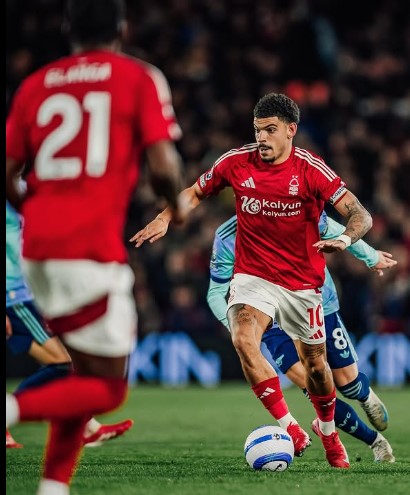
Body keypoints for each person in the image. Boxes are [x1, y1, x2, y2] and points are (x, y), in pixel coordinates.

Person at [131, 92, 375, 469]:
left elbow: (360, 214)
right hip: (253, 276)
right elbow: (196, 192)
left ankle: (328, 433)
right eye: (258, 130)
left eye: (270, 130)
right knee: (243, 338)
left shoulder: (311, 169)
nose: (262, 138)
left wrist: (344, 240)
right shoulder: (235, 162)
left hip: (301, 283)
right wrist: (165, 217)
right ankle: (290, 426)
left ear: (291, 130)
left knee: (316, 368)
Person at [5, 0, 185, 493]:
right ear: (122, 28)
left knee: (79, 370)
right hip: (89, 249)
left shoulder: (35, 85)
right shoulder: (138, 77)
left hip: (35, 249)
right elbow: (164, 167)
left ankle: (53, 487)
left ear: (69, 29)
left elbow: (8, 174)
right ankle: (12, 409)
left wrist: (36, 214)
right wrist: (177, 206)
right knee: (107, 388)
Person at [206, 212, 396, 462]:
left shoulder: (296, 208)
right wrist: (242, 330)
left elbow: (340, 232)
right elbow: (215, 292)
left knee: (347, 383)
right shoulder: (227, 236)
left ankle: (364, 395)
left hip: (316, 302)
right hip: (270, 317)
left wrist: (371, 256)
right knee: (313, 387)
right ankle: (375, 441)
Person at [6, 200, 133, 449]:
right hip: (14, 297)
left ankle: (85, 426)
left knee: (70, 363)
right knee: (64, 362)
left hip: (33, 293)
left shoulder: (28, 192)